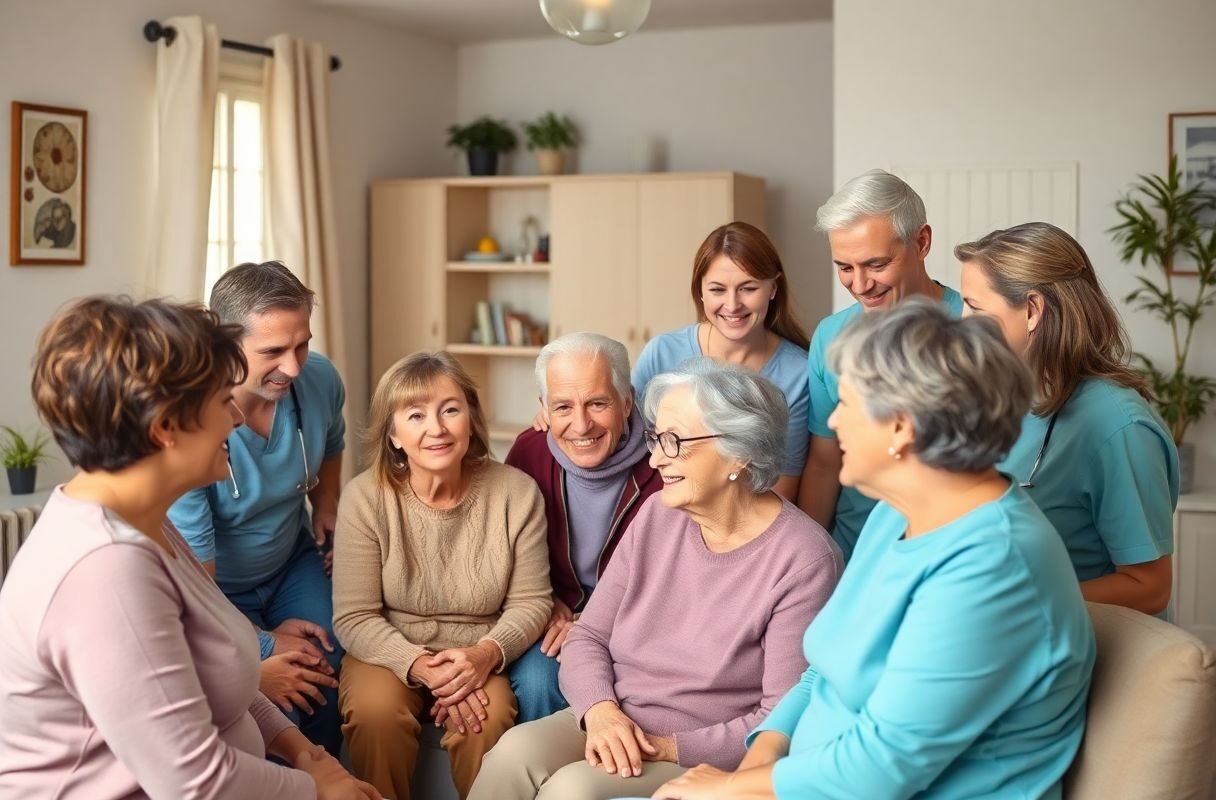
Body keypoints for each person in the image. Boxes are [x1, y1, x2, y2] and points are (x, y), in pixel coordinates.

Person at [654, 300, 1094, 800]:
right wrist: (763, 750)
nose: (834, 423)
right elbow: (826, 665)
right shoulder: (894, 513)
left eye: (846, 403)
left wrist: (726, 790)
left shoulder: (994, 566)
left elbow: (879, 771)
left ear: (901, 427)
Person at [0, 296, 378, 799]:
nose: (238, 419)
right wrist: (316, 788)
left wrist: (302, 751)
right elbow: (195, 784)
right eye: (223, 401)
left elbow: (220, 675)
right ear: (165, 428)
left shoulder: (147, 523)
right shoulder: (104, 571)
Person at [471, 359, 841, 800]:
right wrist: (601, 711)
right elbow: (588, 635)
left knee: (571, 791)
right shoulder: (658, 515)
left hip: (695, 751)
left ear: (738, 451)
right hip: (616, 717)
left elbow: (782, 714)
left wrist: (666, 748)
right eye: (655, 439)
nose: (656, 457)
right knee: (512, 753)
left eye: (675, 441)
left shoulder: (803, 558)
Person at [333, 352, 552, 800]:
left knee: (484, 719)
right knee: (377, 714)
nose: (437, 428)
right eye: (416, 415)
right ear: (393, 434)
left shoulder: (516, 493)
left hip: (477, 650)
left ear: (470, 420)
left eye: (450, 410)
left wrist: (485, 654)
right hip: (388, 649)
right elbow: (354, 617)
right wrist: (417, 665)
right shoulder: (363, 498)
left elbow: (533, 602)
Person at [168, 261, 347, 756]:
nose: (293, 366)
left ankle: (331, 780)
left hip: (292, 561)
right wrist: (265, 642)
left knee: (328, 662)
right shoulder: (195, 425)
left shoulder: (321, 380)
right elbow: (196, 584)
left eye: (302, 344)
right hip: (217, 587)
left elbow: (332, 440)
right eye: (273, 351)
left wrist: (326, 500)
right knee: (285, 690)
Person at [957, 222, 1178, 614]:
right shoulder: (1008, 398)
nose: (961, 321)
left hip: (1083, 648)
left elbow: (1149, 587)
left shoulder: (1118, 427)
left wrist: (1012, 602)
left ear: (1032, 311)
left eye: (974, 307)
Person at [797, 169, 964, 561]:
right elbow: (824, 461)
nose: (860, 285)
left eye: (876, 264)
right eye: (844, 267)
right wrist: (808, 562)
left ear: (921, 242)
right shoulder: (830, 337)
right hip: (853, 559)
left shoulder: (975, 330)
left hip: (943, 556)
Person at [505, 333, 663, 723]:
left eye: (597, 403)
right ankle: (542, 781)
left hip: (637, 631)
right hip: (555, 622)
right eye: (563, 406)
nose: (581, 424)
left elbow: (678, 583)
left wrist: (596, 627)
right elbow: (501, 553)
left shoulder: (667, 461)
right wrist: (543, 602)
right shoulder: (528, 453)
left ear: (627, 401)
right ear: (544, 407)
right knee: (539, 680)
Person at [631, 222, 810, 500]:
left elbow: (781, 488)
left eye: (748, 288)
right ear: (700, 292)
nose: (732, 304)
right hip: (666, 510)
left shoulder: (800, 373)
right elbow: (621, 434)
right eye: (717, 290)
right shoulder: (661, 354)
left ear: (773, 288)